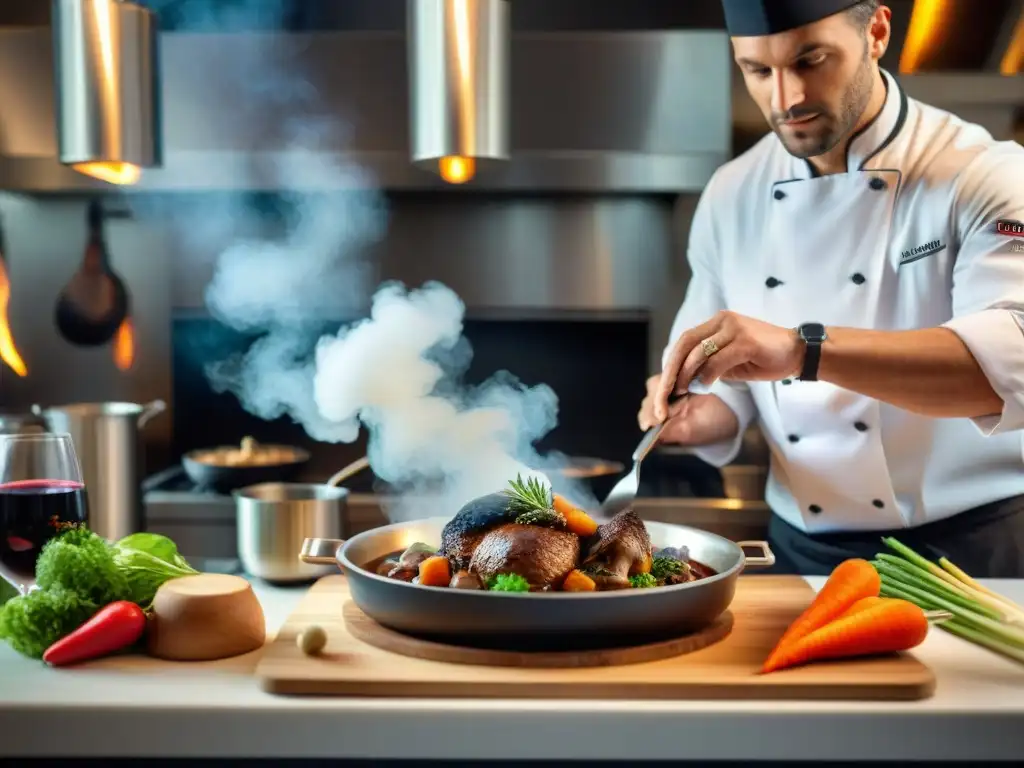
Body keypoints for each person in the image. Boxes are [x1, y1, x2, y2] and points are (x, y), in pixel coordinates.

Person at [639, 0, 1024, 577]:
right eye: (757, 71)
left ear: (876, 32)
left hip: (973, 552)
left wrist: (801, 350)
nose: (784, 99)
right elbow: (728, 381)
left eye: (810, 60)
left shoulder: (981, 174)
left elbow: (1003, 368)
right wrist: (701, 413)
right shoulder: (731, 193)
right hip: (802, 553)